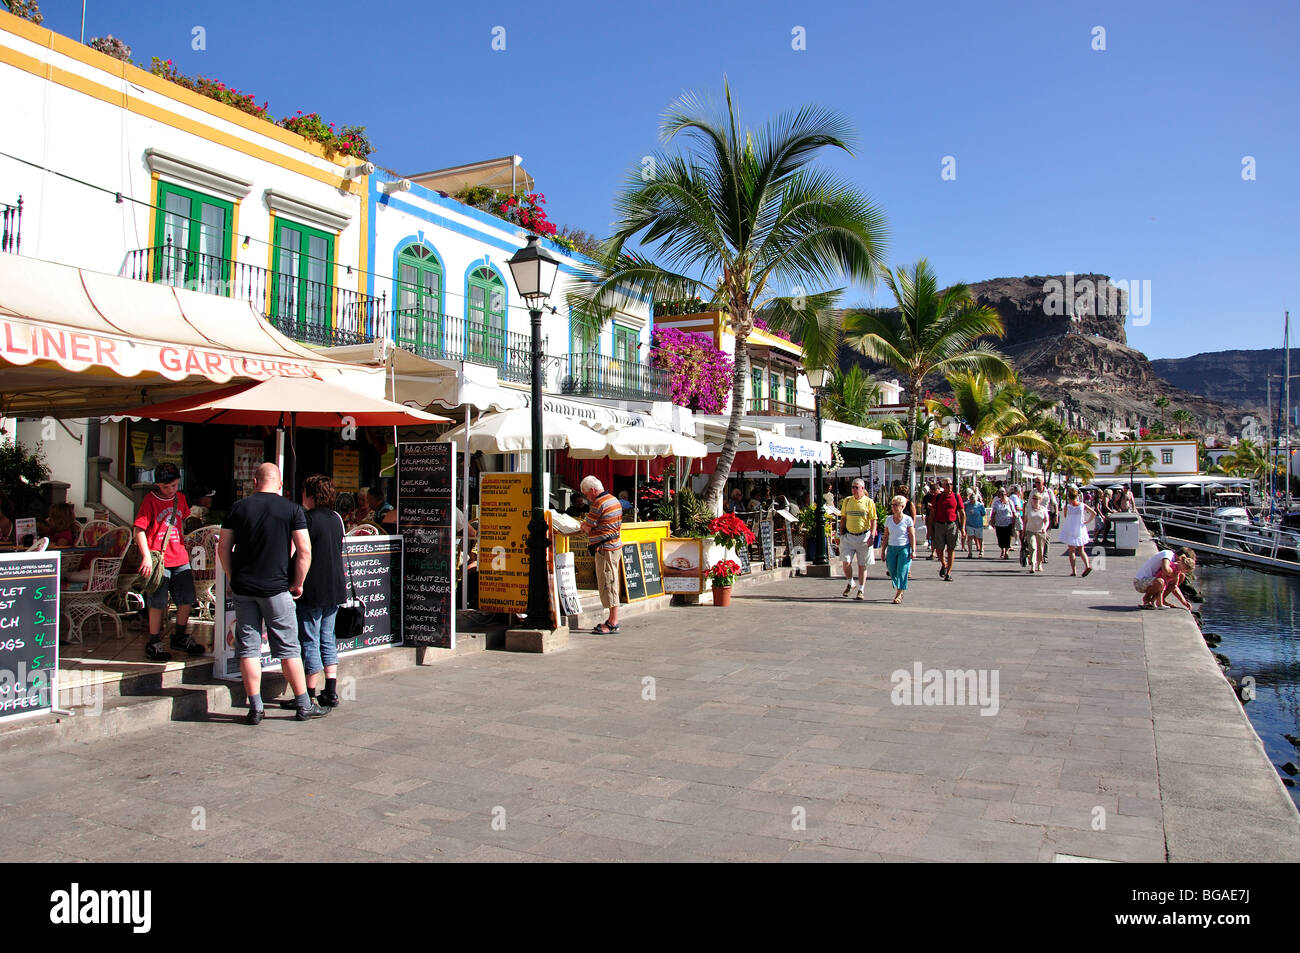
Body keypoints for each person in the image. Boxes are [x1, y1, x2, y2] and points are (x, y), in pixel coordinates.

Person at [217, 463, 328, 724]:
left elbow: (223, 548)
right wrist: (298, 582)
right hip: (277, 589)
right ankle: (303, 704)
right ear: (279, 485)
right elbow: (304, 550)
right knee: (289, 648)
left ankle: (255, 708)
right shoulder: (292, 510)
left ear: (255, 482)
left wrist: (234, 577)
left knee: (248, 649)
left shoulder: (238, 508)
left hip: (244, 589)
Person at [277, 474, 347, 711]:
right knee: (327, 637)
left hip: (312, 586)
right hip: (335, 585)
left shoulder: (304, 519)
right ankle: (331, 690)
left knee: (309, 639)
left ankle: (308, 694)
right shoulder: (336, 518)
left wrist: (294, 581)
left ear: (310, 494)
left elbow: (296, 553)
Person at [133, 462, 202, 660]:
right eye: (165, 487)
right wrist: (146, 555)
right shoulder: (150, 500)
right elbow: (139, 529)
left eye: (173, 485)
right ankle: (154, 640)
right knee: (158, 602)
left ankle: (179, 636)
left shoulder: (180, 499)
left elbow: (182, 522)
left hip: (180, 557)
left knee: (187, 598)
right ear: (158, 485)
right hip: (159, 559)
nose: (170, 490)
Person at [577, 475, 623, 634]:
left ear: (592, 490)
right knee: (612, 580)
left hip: (605, 549)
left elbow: (587, 527)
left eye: (586, 493)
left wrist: (583, 525)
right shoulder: (613, 499)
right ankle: (613, 619)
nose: (586, 497)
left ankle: (612, 622)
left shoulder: (598, 503)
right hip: (614, 546)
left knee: (608, 582)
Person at [839, 478, 877, 599]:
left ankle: (861, 589)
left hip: (863, 536)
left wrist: (872, 535)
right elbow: (843, 518)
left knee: (862, 565)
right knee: (846, 562)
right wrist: (841, 533)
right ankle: (851, 583)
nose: (854, 490)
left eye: (856, 487)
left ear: (862, 488)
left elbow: (873, 520)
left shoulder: (869, 502)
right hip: (849, 536)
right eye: (852, 487)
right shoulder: (847, 501)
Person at [880, 495, 915, 605]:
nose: (894, 507)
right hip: (891, 548)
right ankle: (899, 587)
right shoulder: (888, 519)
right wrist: (882, 551)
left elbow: (912, 535)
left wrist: (913, 550)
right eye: (892, 505)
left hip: (904, 548)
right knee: (891, 570)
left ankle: (899, 593)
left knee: (902, 571)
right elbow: (885, 536)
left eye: (896, 505)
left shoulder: (907, 519)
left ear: (903, 506)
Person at [1059, 486, 1097, 576]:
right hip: (1080, 529)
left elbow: (1065, 516)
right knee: (1081, 550)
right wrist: (1087, 521)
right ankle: (1087, 565)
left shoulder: (1067, 507)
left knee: (1071, 551)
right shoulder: (1082, 505)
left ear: (1069, 497)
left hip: (1071, 529)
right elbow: (1094, 513)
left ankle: (1074, 571)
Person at [929, 477, 961, 581]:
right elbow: (932, 513)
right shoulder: (938, 497)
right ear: (943, 486)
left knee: (951, 549)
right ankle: (944, 564)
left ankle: (948, 573)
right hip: (939, 525)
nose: (949, 486)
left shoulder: (956, 497)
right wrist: (930, 529)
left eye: (951, 484)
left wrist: (963, 527)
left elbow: (962, 512)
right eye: (947, 484)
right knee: (939, 549)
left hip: (952, 525)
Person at [1022, 491, 1050, 573]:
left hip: (1040, 531)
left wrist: (1045, 528)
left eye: (1037, 499)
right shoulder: (1028, 509)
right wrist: (1023, 531)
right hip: (1030, 531)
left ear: (1040, 500)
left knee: (1040, 549)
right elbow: (1025, 520)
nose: (1035, 500)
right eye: (1033, 498)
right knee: (1032, 547)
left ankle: (1039, 564)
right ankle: (1033, 565)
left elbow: (1047, 520)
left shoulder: (1043, 509)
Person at [990, 488, 1015, 559]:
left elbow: (1013, 512)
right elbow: (993, 513)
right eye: (1001, 494)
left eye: (1004, 494)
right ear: (999, 495)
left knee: (1007, 538)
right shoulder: (996, 503)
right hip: (999, 523)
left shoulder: (1010, 502)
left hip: (1008, 523)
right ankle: (1002, 550)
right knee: (1000, 538)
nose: (1003, 496)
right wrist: (992, 521)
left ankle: (1006, 552)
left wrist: (1013, 522)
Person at [964, 489, 986, 558]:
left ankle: (981, 550)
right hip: (969, 524)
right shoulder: (967, 505)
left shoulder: (979, 505)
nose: (972, 501)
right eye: (971, 500)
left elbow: (983, 513)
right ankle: (970, 552)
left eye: (974, 500)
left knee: (979, 538)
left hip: (978, 524)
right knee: (970, 538)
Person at [919, 482, 936, 559]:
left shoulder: (939, 497)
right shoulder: (927, 497)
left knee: (939, 536)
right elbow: (923, 506)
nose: (933, 492)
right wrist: (922, 514)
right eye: (932, 490)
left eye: (934, 490)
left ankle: (939, 553)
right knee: (931, 534)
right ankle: (933, 552)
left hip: (938, 519)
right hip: (929, 518)